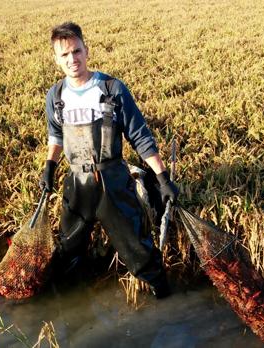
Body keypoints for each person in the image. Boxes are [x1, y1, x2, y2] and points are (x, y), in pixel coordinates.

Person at [39, 22, 178, 299]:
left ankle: (163, 295)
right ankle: (74, 300)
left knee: (137, 248)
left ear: (86, 50)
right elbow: (55, 136)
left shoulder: (112, 88)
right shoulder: (56, 96)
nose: (72, 59)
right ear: (56, 59)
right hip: (76, 184)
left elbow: (140, 136)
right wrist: (49, 167)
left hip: (112, 182)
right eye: (64, 55)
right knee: (69, 249)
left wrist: (162, 179)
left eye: (76, 51)